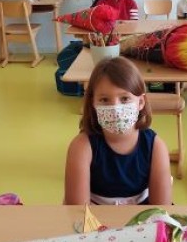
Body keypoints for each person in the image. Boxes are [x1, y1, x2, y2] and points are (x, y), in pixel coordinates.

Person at [64, 57, 172, 205]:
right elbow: (77, 211)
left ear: (140, 102)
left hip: (144, 217)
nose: (115, 108)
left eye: (125, 99)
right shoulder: (82, 147)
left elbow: (161, 209)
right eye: (104, 100)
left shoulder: (156, 147)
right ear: (93, 103)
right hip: (95, 218)